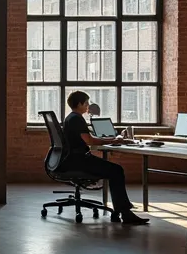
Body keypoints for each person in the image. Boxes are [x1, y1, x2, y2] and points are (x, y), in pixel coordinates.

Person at [60, 91, 149, 225]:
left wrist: (110, 140)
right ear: (79, 104)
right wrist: (113, 140)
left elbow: (87, 139)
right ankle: (124, 213)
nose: (88, 106)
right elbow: (89, 140)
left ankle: (121, 211)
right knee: (116, 171)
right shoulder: (76, 119)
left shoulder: (70, 118)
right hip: (79, 161)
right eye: (86, 103)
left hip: (72, 160)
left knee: (114, 170)